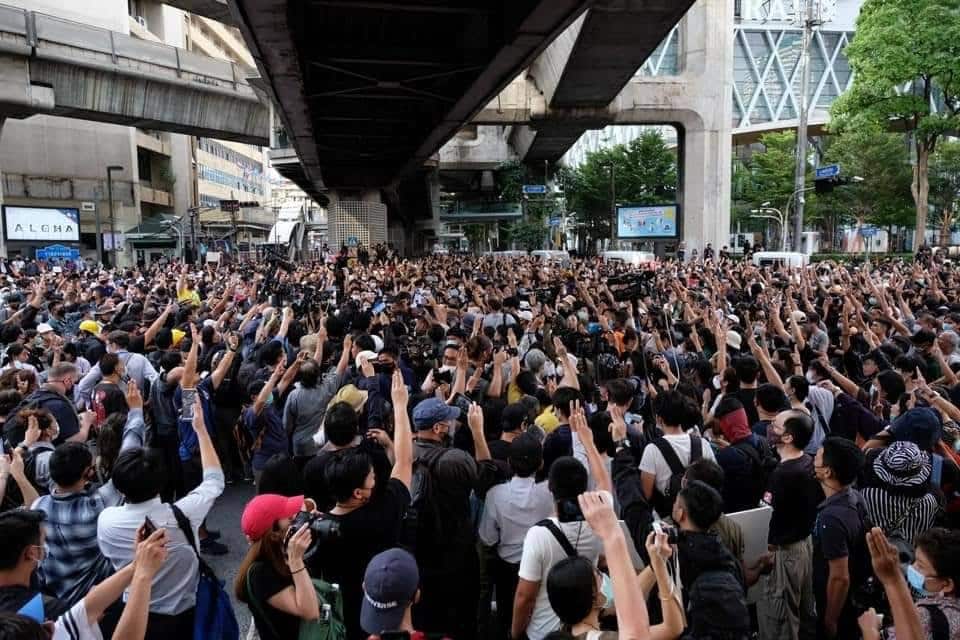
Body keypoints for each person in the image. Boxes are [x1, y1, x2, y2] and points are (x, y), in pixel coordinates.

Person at [96, 397, 224, 639]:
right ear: (161, 482)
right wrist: (201, 430)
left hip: (134, 612)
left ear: (120, 488)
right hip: (186, 612)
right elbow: (214, 481)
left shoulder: (106, 520)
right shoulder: (182, 513)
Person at [306, 370, 413, 640]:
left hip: (342, 616)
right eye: (371, 477)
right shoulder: (384, 511)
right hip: (382, 610)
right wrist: (400, 407)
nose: (376, 479)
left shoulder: (315, 530)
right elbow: (404, 461)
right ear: (358, 492)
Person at [33, 382, 146, 607]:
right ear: (88, 473)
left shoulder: (38, 506)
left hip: (57, 595)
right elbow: (129, 455)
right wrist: (136, 411)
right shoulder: (98, 505)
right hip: (96, 596)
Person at [478, 432, 553, 639]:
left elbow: (488, 537)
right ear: (541, 464)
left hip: (507, 569)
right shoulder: (549, 493)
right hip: (542, 565)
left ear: (509, 462)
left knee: (508, 618)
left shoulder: (495, 494)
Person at [758, 410, 822, 640]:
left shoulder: (784, 474)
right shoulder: (808, 463)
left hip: (784, 554)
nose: (770, 427)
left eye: (775, 424)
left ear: (788, 438)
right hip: (804, 547)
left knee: (780, 620)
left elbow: (772, 517)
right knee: (804, 614)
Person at [236, 494, 320, 640]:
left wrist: (311, 518)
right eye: (290, 519)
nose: (295, 520)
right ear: (274, 533)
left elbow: (308, 503)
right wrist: (296, 561)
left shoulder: (282, 549)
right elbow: (310, 612)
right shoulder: (261, 573)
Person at [812, 436, 869, 639]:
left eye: (817, 458)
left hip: (839, 606)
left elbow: (839, 577)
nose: (813, 461)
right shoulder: (855, 497)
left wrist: (830, 618)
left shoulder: (831, 518)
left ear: (827, 471)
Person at [639, 390, 716, 515]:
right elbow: (714, 483)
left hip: (670, 520)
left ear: (659, 419)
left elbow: (646, 495)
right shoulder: (703, 444)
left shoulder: (652, 450)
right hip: (703, 517)